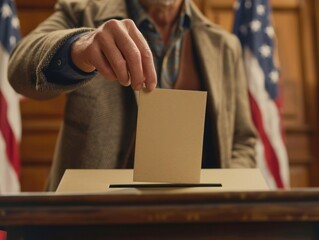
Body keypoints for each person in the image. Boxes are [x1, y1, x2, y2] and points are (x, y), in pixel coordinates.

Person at [8, 0, 257, 191]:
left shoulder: (225, 47)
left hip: (197, 224)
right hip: (93, 224)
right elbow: (19, 67)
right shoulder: (83, 11)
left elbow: (243, 140)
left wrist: (225, 196)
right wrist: (79, 47)